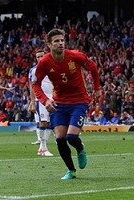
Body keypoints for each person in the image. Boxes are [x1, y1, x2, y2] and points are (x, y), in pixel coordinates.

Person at [32, 28, 101, 180]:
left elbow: (93, 67)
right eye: (56, 41)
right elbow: (35, 84)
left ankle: (80, 148)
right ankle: (71, 170)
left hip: (79, 101)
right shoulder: (44, 62)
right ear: (49, 45)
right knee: (60, 139)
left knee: (71, 137)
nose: (60, 43)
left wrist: (96, 88)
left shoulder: (75, 56)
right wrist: (45, 100)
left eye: (62, 40)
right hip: (59, 103)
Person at [28, 49, 54, 156]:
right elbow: (32, 87)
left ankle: (42, 148)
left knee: (49, 123)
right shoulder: (33, 70)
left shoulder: (52, 67)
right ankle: (43, 148)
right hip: (41, 99)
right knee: (43, 122)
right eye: (38, 57)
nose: (40, 58)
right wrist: (32, 102)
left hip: (52, 99)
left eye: (41, 56)